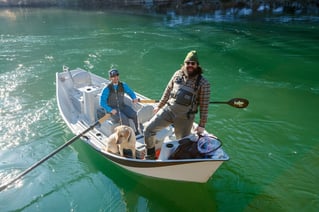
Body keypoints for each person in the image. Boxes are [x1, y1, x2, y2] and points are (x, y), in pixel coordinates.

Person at [143, 50, 211, 159]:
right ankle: (150, 155)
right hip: (168, 111)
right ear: (184, 64)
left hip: (185, 118)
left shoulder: (204, 83)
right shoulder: (177, 74)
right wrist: (159, 106)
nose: (190, 65)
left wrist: (202, 125)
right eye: (187, 63)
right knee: (148, 130)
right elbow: (167, 91)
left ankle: (177, 160)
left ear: (197, 65)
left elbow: (204, 106)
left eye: (192, 63)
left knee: (182, 143)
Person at [100, 69, 140, 135]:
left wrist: (134, 98)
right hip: (112, 110)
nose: (116, 77)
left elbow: (130, 92)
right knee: (124, 119)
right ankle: (128, 135)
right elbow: (102, 102)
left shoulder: (123, 85)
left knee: (134, 114)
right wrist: (110, 110)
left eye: (117, 75)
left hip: (122, 106)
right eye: (113, 76)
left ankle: (137, 131)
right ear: (110, 78)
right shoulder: (106, 89)